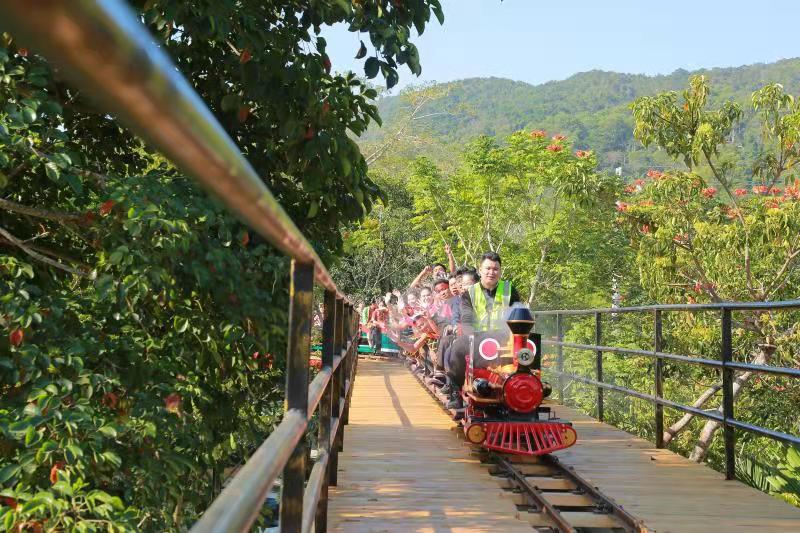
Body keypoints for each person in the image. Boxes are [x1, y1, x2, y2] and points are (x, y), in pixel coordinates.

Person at [446, 252, 520, 409]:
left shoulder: (510, 290)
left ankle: (521, 391)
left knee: (528, 351)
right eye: (488, 268)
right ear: (480, 270)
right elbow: (466, 320)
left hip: (503, 338)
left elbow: (518, 316)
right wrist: (474, 339)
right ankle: (455, 394)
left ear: (500, 271)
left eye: (495, 269)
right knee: (457, 348)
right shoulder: (470, 293)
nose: (491, 272)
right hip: (478, 338)